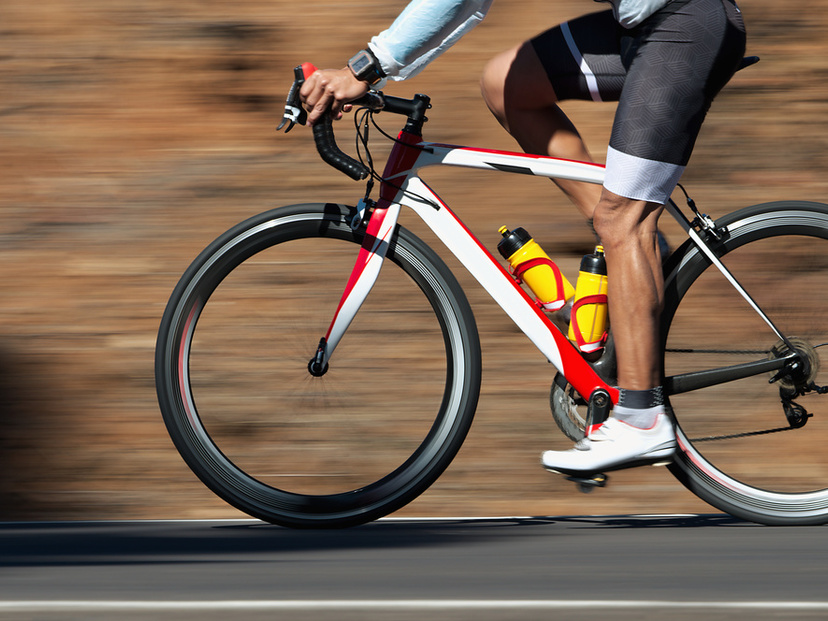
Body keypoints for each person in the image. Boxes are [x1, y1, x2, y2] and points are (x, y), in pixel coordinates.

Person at [299, 0, 747, 476]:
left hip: (683, 24)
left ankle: (642, 419)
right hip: (642, 26)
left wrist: (365, 68)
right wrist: (375, 73)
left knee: (624, 221)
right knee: (506, 84)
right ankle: (633, 254)